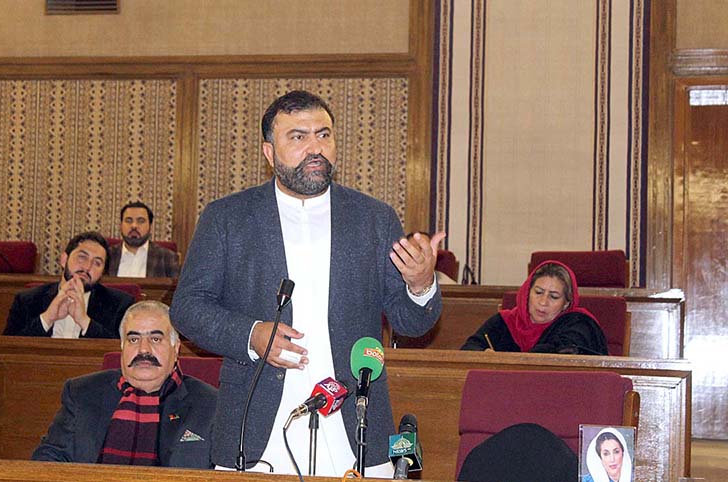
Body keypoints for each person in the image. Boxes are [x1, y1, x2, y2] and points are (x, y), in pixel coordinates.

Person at [170, 90, 444, 477]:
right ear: (269, 152)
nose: (315, 147)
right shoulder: (227, 218)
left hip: (354, 427)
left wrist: (420, 284)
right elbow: (188, 308)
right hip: (256, 424)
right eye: (298, 137)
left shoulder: (373, 219)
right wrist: (250, 335)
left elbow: (411, 323)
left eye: (324, 135)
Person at [32, 300, 217, 467]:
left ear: (175, 349)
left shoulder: (210, 404)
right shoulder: (81, 393)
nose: (144, 349)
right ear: (122, 347)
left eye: (155, 339)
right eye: (133, 339)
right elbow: (48, 459)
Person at [3, 231, 133, 338]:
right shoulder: (27, 300)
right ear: (64, 260)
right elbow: (8, 347)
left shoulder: (120, 304)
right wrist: (47, 318)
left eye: (97, 263)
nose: (87, 267)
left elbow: (120, 351)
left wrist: (84, 321)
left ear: (102, 273)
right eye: (82, 257)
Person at [460, 260, 608, 354]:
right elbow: (469, 349)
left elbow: (564, 352)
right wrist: (484, 354)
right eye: (538, 292)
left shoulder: (578, 324)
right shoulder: (506, 321)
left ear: (566, 304)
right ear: (527, 293)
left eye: (554, 296)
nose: (543, 302)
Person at [107, 201, 179, 278]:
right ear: (120, 225)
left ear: (150, 226)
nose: (134, 226)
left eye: (141, 221)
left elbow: (177, 288)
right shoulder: (107, 256)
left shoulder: (167, 257)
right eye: (128, 221)